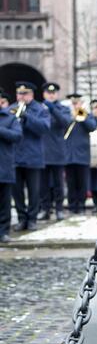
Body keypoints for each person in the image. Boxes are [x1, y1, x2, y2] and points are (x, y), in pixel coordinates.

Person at [9, 82, 51, 231]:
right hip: (15, 157)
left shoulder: (40, 109)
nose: (21, 96)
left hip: (33, 157)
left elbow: (44, 128)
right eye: (19, 94)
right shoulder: (11, 109)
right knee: (17, 192)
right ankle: (21, 218)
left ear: (31, 95)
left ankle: (32, 219)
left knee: (34, 191)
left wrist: (27, 117)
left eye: (24, 94)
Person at [38, 82, 71, 221]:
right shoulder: (39, 109)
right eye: (48, 93)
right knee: (43, 184)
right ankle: (45, 209)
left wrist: (52, 109)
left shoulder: (63, 109)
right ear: (44, 94)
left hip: (57, 152)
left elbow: (65, 122)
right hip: (42, 152)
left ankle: (59, 209)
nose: (51, 95)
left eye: (53, 93)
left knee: (58, 184)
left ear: (57, 94)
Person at [63, 93, 96, 214]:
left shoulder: (86, 115)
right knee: (71, 183)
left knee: (82, 183)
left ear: (81, 103)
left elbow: (92, 127)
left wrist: (81, 114)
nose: (75, 105)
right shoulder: (66, 115)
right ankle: (72, 206)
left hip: (82, 156)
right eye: (73, 103)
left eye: (77, 103)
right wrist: (71, 116)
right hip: (69, 156)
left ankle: (81, 205)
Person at [0, 101, 23, 242]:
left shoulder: (10, 118)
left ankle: (3, 232)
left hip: (4, 166)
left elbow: (17, 136)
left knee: (4, 202)